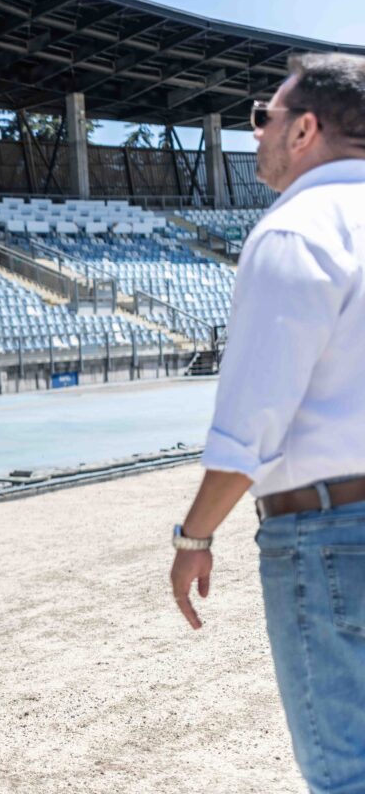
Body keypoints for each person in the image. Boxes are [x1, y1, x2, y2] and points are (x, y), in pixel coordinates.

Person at [169, 54, 365, 793]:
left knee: (347, 774)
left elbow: (251, 427)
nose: (255, 134)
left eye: (264, 118)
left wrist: (194, 535)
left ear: (306, 128)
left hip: (332, 532)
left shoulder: (297, 229)